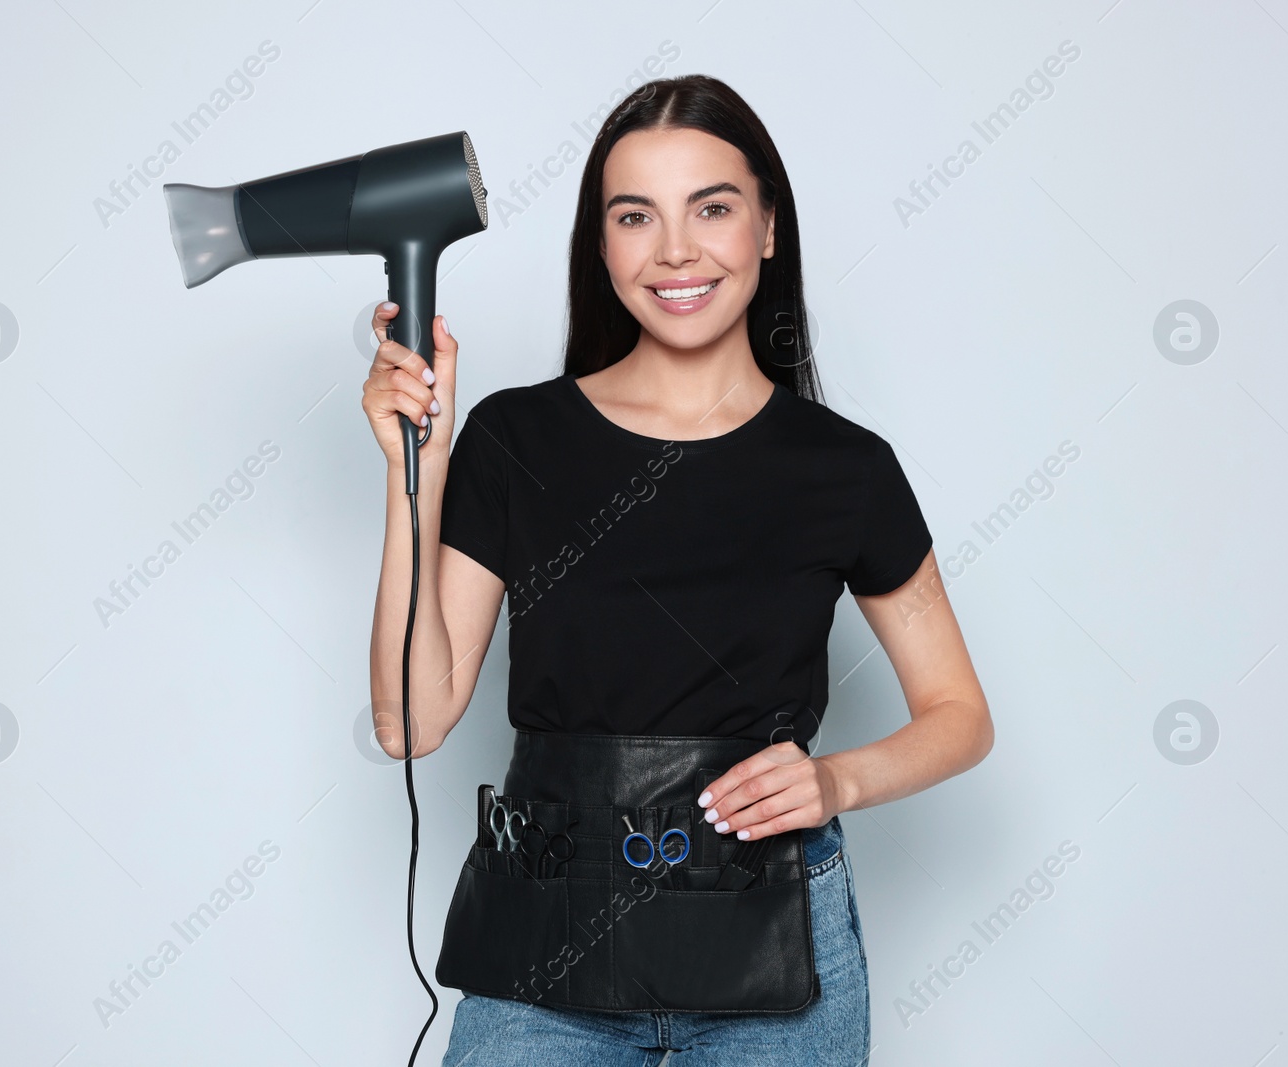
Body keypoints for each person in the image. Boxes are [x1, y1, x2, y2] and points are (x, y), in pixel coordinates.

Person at [362, 74, 993, 1067]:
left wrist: (836, 778)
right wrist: (420, 470)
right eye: (634, 216)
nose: (675, 251)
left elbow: (960, 712)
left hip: (777, 955)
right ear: (601, 244)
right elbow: (411, 718)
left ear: (767, 229)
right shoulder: (512, 438)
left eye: (711, 207)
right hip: (545, 944)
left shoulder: (844, 467)